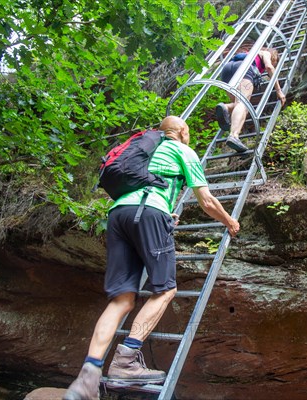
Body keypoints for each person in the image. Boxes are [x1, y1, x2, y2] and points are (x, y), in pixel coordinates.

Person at [63, 116, 240, 400]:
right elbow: (206, 201)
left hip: (119, 215)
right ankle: (126, 360)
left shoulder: (145, 147)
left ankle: (87, 378)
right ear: (182, 130)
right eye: (189, 131)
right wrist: (230, 222)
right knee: (165, 289)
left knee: (121, 300)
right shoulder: (183, 150)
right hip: (149, 211)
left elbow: (144, 186)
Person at [215, 47, 286, 152]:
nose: (274, 64)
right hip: (244, 69)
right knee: (242, 103)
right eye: (275, 62)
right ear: (274, 57)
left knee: (240, 105)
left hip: (227, 70)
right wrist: (279, 90)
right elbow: (269, 67)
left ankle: (225, 107)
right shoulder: (265, 53)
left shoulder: (250, 53)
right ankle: (234, 136)